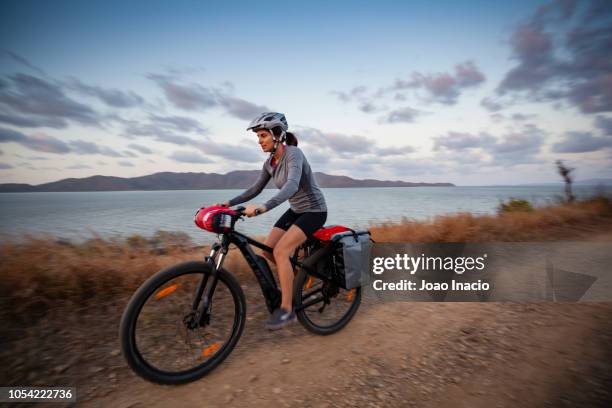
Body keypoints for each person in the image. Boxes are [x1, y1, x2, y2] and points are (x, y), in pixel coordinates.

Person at [218, 112, 327, 330]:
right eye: (258, 137)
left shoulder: (294, 154)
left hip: (315, 211)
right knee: (267, 251)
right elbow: (254, 189)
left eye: (263, 136)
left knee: (280, 252)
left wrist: (264, 207)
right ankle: (295, 281)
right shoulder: (269, 163)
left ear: (277, 134)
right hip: (296, 210)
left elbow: (292, 186)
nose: (259, 141)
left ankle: (288, 311)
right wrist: (227, 204)